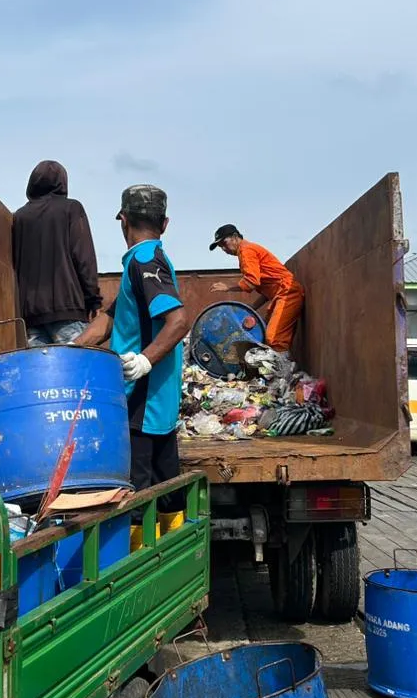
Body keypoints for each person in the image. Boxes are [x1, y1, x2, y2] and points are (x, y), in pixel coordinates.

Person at [75, 185, 188, 547]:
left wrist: (143, 360)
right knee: (168, 489)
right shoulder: (143, 261)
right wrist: (73, 349)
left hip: (141, 399)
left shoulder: (144, 261)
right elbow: (111, 318)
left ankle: (142, 573)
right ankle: (173, 556)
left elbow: (178, 321)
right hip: (159, 402)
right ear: (165, 223)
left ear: (123, 220)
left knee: (136, 497)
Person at [12, 160, 102, 347]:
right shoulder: (71, 208)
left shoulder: (19, 217)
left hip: (30, 316)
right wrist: (94, 300)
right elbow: (84, 257)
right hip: (68, 309)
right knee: (73, 372)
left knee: (41, 375)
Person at [209, 224, 305, 353]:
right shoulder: (246, 252)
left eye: (224, 243)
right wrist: (252, 308)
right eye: (221, 246)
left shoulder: (246, 251)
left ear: (235, 237)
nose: (224, 249)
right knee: (265, 334)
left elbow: (251, 282)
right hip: (280, 295)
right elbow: (266, 289)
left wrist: (228, 288)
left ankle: (283, 370)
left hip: (287, 293)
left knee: (274, 338)